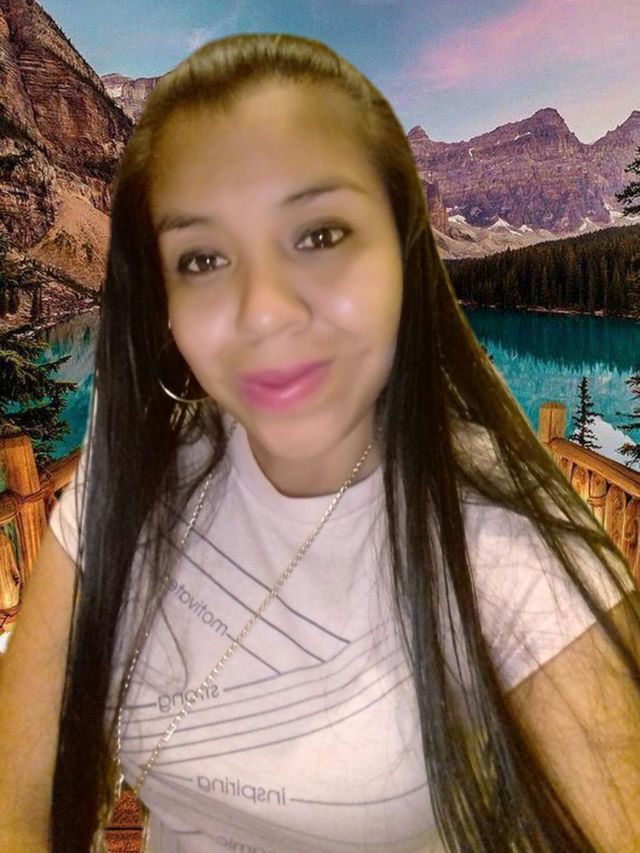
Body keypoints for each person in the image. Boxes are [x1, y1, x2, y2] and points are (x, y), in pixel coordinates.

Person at [0, 32, 638, 853]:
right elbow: (16, 802)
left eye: (320, 236)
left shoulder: (508, 539)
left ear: (405, 255)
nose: (265, 308)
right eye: (203, 257)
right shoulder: (123, 482)